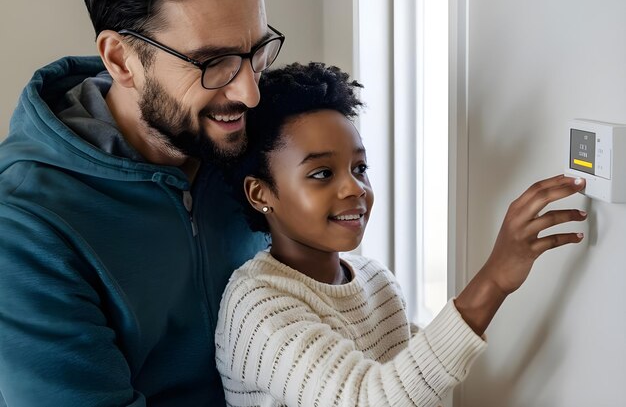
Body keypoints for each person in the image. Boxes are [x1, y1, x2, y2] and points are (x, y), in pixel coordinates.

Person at [0, 0, 284, 406]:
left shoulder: (253, 140)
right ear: (120, 59)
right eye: (212, 62)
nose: (249, 92)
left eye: (257, 54)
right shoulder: (24, 229)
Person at [215, 62, 587, 407]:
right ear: (260, 194)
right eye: (322, 173)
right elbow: (371, 399)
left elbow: (416, 380)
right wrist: (494, 280)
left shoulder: (378, 282)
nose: (355, 188)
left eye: (359, 167)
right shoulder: (256, 305)